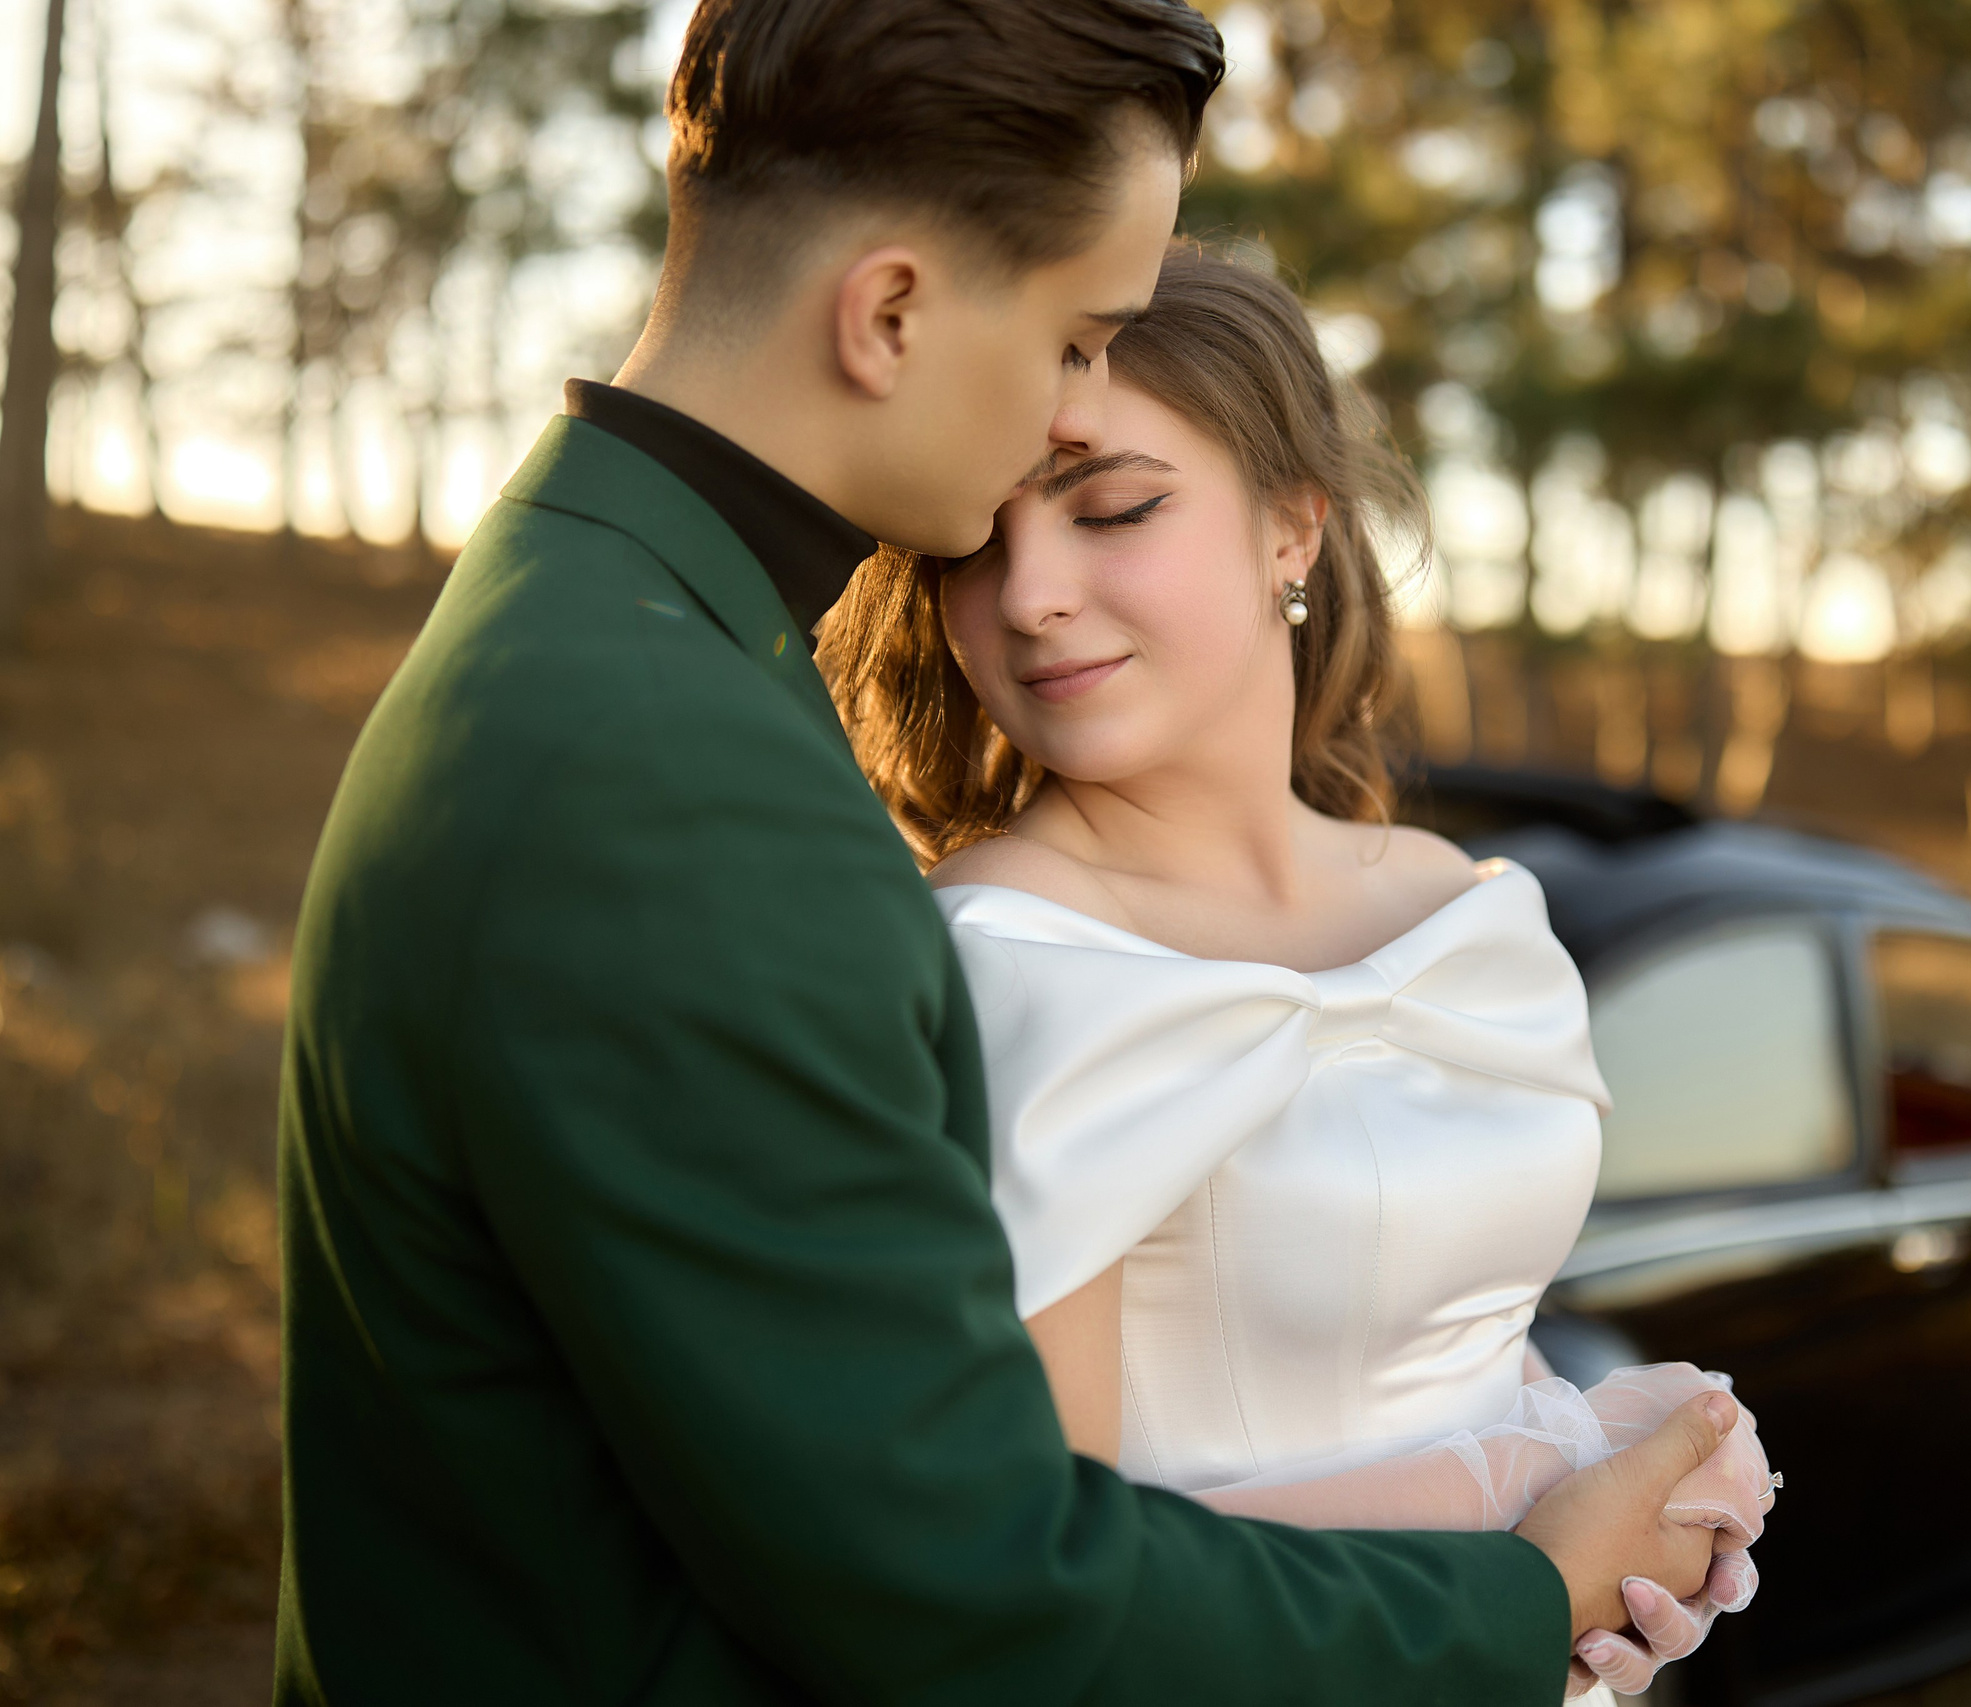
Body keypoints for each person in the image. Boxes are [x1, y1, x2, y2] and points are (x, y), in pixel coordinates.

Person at [271, 2, 1741, 1703]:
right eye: (1077, 337)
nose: (1070, 410)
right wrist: (1527, 1586)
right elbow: (957, 1587)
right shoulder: (665, 767)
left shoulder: (621, 630)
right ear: (891, 311)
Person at [823, 246, 1776, 1701]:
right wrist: (1527, 1502)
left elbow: (1446, 1338)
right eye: (971, 543)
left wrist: (1640, 1469)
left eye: (1113, 508)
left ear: (1292, 525)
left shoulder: (1463, 908)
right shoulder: (1011, 962)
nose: (1030, 596)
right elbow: (1036, 1582)